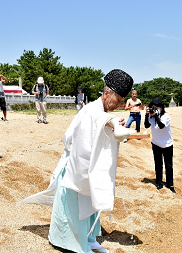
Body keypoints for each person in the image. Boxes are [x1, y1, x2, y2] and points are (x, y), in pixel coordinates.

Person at [17, 69, 134, 253]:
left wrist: (111, 123)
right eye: (118, 100)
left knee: (90, 204)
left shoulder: (101, 110)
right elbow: (97, 120)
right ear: (107, 94)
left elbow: (102, 121)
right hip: (75, 166)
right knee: (73, 210)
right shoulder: (90, 110)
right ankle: (72, 243)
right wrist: (112, 123)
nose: (118, 104)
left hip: (87, 165)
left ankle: (89, 238)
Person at [144, 98, 176, 193]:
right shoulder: (151, 116)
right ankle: (159, 183)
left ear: (161, 108)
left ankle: (170, 185)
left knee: (168, 166)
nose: (153, 109)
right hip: (156, 143)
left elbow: (161, 126)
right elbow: (146, 125)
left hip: (167, 144)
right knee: (158, 165)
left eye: (156, 107)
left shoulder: (166, 116)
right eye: (152, 107)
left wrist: (156, 116)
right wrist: (146, 114)